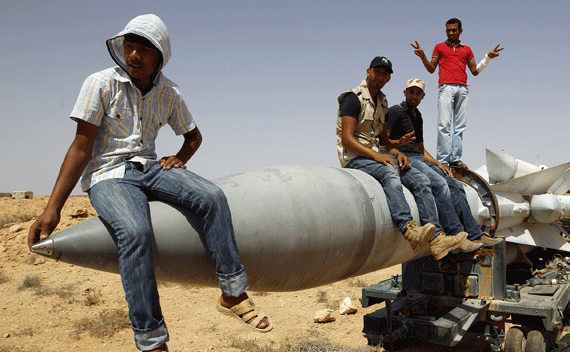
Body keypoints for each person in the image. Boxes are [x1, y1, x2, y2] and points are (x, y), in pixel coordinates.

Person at [27, 14, 271, 352]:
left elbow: (194, 136)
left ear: (160, 57)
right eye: (130, 47)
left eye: (144, 49)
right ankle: (152, 339)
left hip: (151, 167)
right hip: (109, 174)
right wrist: (52, 209)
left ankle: (232, 293)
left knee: (212, 195)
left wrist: (181, 157)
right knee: (136, 233)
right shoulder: (100, 84)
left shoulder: (169, 92)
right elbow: (81, 147)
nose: (134, 56)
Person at [336, 56, 476, 261]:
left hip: (377, 154)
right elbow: (347, 139)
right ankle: (408, 229)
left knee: (420, 180)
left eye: (386, 73)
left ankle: (437, 238)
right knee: (389, 171)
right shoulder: (353, 98)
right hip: (356, 157)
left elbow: (384, 143)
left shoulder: (382, 103)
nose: (381, 76)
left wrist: (399, 149)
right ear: (368, 72)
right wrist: (378, 155)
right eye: (378, 71)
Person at [386, 78, 502, 247]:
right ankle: (456, 234)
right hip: (406, 158)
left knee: (455, 185)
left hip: (418, 158)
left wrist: (438, 164)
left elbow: (421, 150)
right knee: (440, 184)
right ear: (405, 93)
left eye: (418, 93)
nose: (414, 96)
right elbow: (384, 143)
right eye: (411, 92)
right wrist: (399, 149)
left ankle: (475, 235)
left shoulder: (418, 116)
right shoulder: (395, 111)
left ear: (423, 96)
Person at [411, 18, 504, 169]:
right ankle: (442, 160)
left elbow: (475, 71)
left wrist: (488, 58)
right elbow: (431, 69)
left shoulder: (466, 49)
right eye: (448, 30)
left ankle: (455, 159)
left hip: (463, 88)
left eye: (454, 30)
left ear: (460, 31)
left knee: (460, 126)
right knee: (444, 125)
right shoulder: (439, 47)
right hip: (446, 87)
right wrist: (422, 56)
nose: (451, 32)